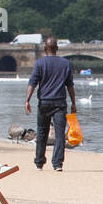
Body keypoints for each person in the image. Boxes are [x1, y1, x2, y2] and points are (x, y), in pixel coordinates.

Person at [23, 36, 76, 171]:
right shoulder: (65, 64)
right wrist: (73, 103)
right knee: (59, 135)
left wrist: (27, 100)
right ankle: (57, 164)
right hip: (60, 103)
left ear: (45, 48)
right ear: (57, 48)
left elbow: (32, 84)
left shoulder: (39, 63)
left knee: (42, 132)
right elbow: (70, 86)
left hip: (44, 103)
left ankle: (39, 162)